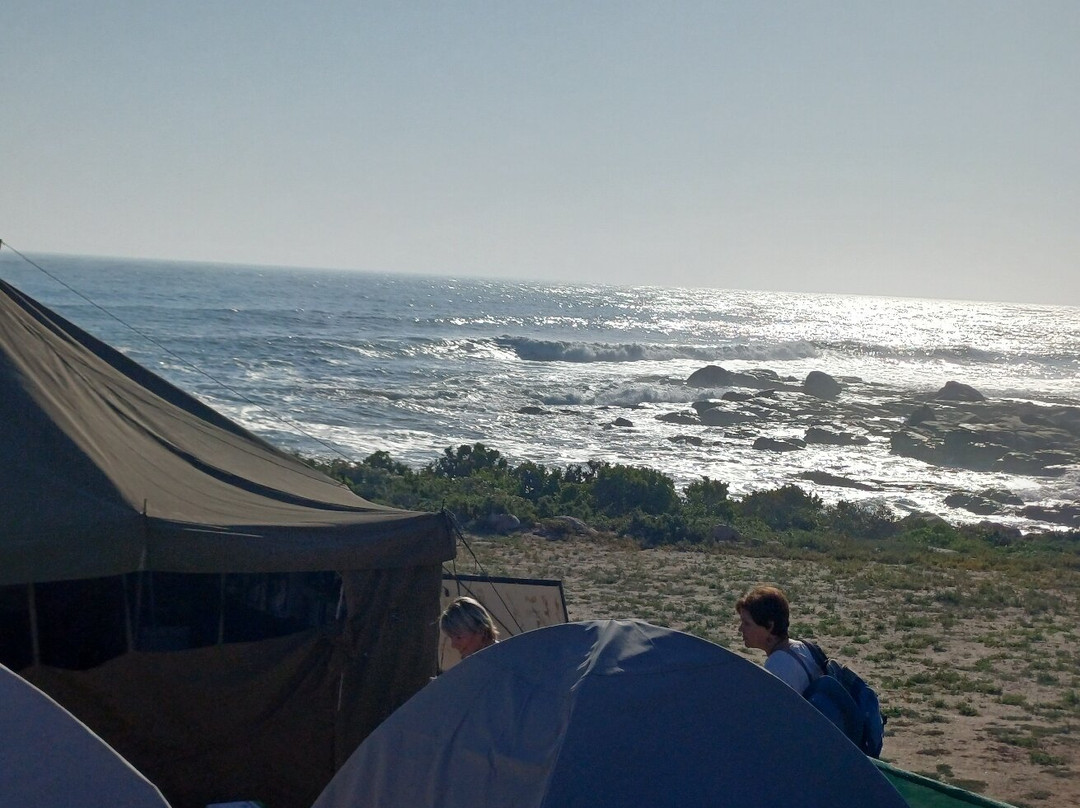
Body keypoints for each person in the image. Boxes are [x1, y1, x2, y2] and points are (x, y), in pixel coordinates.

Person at [735, 585, 819, 693]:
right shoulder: (801, 647)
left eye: (747, 623)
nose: (740, 629)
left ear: (769, 626)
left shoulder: (777, 666)